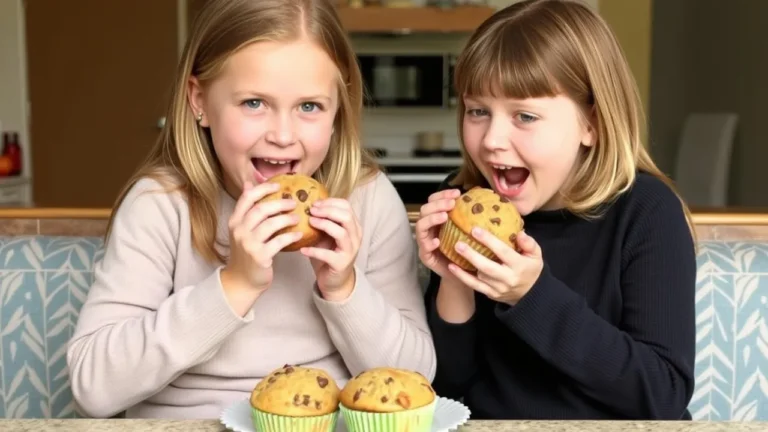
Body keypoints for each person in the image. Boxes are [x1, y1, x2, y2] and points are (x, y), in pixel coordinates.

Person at [66, 0, 435, 419]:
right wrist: (234, 284)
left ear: (338, 109)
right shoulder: (160, 205)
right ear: (199, 100)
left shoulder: (366, 198)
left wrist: (344, 288)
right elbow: (92, 388)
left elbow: (416, 381)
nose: (282, 135)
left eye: (309, 107)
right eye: (254, 103)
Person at [416, 0, 696, 421]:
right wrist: (454, 278)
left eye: (524, 116)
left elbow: (662, 394)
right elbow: (451, 389)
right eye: (477, 111)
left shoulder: (646, 213)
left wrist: (530, 295)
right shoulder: (461, 200)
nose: (492, 138)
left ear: (592, 124)